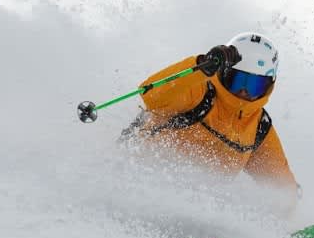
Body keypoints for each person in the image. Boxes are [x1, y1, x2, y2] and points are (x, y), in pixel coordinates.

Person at [122, 32, 299, 206]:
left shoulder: (258, 127)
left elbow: (280, 186)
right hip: (139, 180)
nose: (243, 91)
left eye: (255, 85)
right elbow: (151, 95)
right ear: (224, 73)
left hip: (195, 208)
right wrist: (201, 66)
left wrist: (288, 212)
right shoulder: (200, 92)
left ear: (268, 86)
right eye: (237, 80)